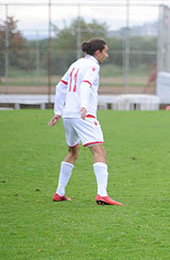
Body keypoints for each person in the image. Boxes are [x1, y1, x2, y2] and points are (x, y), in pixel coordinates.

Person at [48, 38, 123, 206]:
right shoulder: (93, 66)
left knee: (73, 152)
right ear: (97, 52)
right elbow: (86, 85)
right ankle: (102, 194)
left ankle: (59, 192)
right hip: (83, 115)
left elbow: (60, 87)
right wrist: (83, 106)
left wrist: (58, 112)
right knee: (99, 152)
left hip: (68, 114)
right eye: (105, 51)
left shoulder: (76, 64)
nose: (107, 55)